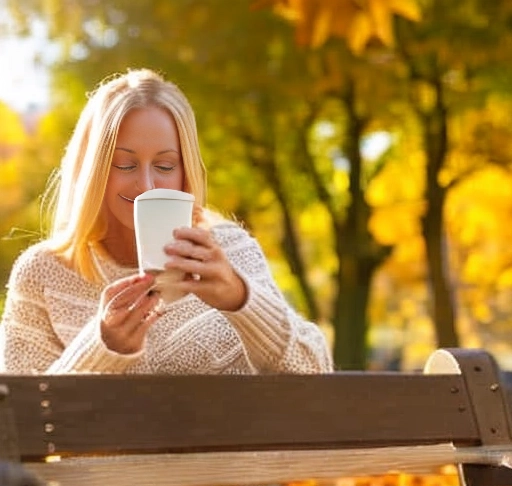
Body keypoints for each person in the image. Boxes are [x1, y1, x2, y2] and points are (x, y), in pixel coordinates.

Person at [0, 68, 333, 375]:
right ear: (93, 172)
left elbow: (316, 372)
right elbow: (24, 421)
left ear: (185, 172)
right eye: (125, 166)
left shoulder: (230, 251)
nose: (146, 185)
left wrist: (240, 299)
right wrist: (102, 349)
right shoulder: (43, 274)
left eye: (164, 166)